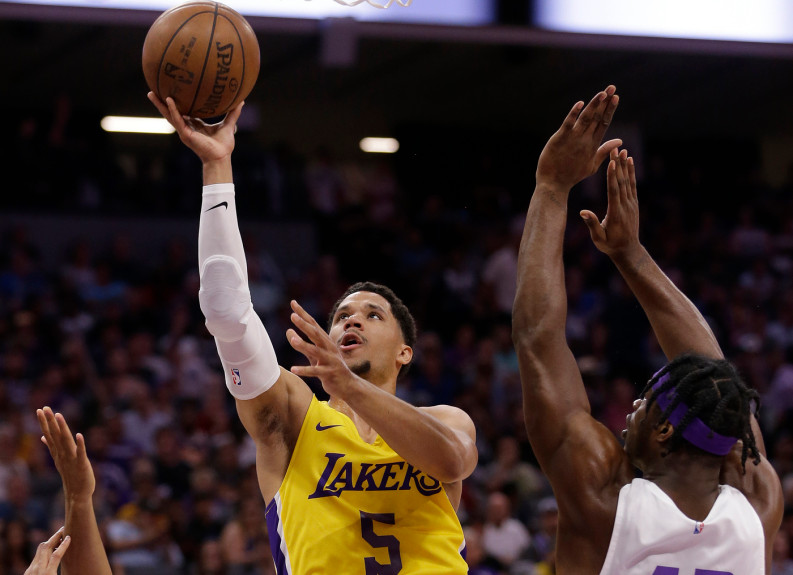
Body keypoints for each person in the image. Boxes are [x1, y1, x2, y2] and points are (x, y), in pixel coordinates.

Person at [148, 92, 478, 574]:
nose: (352, 320)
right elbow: (225, 311)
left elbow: (451, 462)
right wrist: (217, 168)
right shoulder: (294, 414)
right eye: (342, 314)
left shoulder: (446, 419)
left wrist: (351, 388)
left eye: (373, 314)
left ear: (405, 352)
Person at [512, 85, 784, 574]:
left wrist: (551, 188)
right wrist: (630, 255)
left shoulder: (605, 503)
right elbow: (716, 379)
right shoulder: (758, 506)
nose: (633, 408)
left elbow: (538, 341)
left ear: (662, 429)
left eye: (645, 403)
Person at [36, 407, 112, 575]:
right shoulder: (59, 500)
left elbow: (107, 535)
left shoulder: (102, 501)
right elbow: (62, 539)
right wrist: (77, 498)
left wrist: (77, 497)